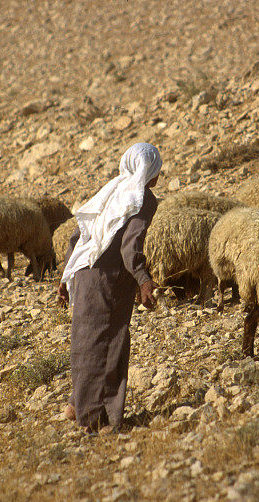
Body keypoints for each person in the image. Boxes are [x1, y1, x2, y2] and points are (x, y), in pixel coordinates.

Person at [57, 143, 161, 434]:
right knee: (109, 344)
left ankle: (76, 404)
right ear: (149, 170)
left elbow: (79, 235)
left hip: (83, 274)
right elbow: (131, 245)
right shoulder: (142, 197)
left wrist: (65, 278)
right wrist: (143, 279)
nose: (158, 177)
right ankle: (97, 420)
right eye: (157, 170)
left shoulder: (110, 190)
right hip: (109, 280)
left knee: (84, 342)